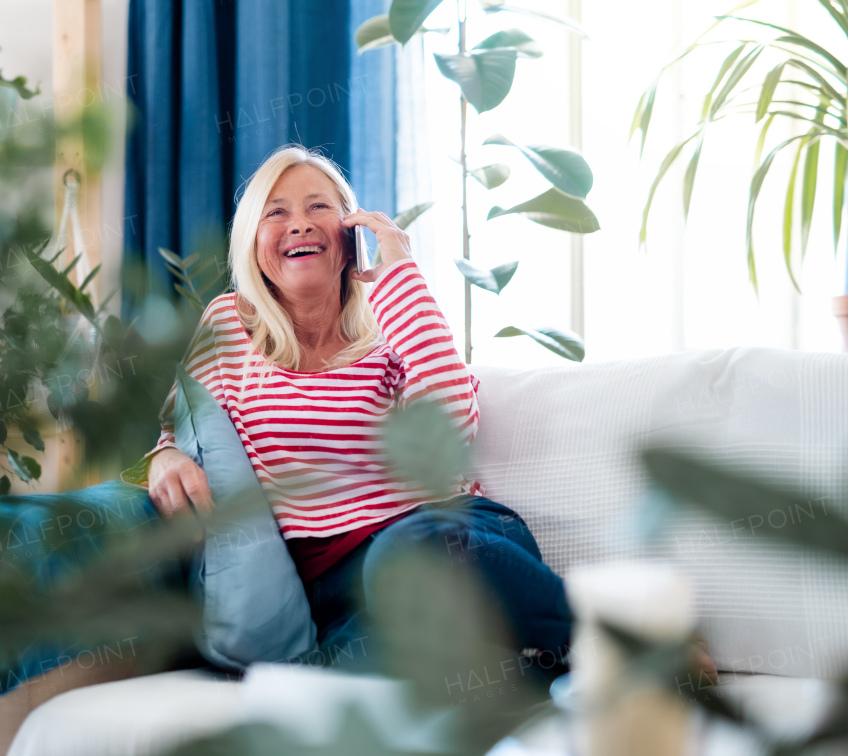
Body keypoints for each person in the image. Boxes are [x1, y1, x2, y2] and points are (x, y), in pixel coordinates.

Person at [122, 144, 575, 680]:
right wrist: (166, 458)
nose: (300, 224)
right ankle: (547, 674)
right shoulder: (227, 323)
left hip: (445, 538)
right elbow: (181, 430)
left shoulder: (394, 321)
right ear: (253, 241)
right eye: (277, 211)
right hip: (334, 592)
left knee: (404, 555)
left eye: (319, 207)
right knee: (324, 684)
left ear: (350, 229)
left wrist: (399, 273)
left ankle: (622, 640)